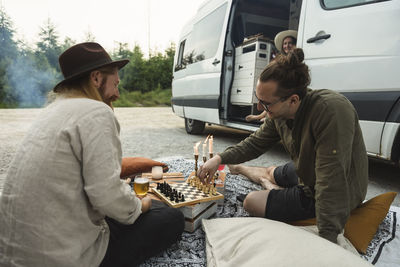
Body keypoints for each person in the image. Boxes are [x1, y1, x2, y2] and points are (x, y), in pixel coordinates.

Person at [0, 42, 184, 267]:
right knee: (170, 217)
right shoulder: (96, 112)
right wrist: (141, 205)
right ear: (96, 78)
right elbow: (105, 195)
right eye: (115, 82)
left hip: (14, 252)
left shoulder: (51, 111)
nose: (117, 92)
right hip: (60, 256)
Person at [199, 48, 368, 244]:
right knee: (272, 171)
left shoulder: (331, 111)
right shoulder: (279, 113)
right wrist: (219, 159)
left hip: (334, 189)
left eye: (266, 103)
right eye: (258, 100)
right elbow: (254, 143)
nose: (260, 109)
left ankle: (268, 185)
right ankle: (255, 173)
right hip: (307, 170)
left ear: (293, 100)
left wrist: (327, 241)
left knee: (251, 201)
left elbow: (331, 182)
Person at [245, 30, 298, 123]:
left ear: (295, 45)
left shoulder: (297, 58)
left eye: (290, 43)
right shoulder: (280, 58)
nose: (287, 46)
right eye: (285, 43)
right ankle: (261, 116)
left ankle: (267, 118)